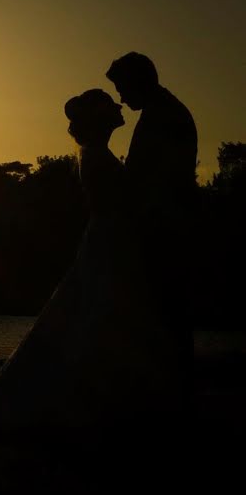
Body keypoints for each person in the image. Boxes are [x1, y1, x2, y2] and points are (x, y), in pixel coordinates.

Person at [0, 89, 179, 427]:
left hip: (108, 240)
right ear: (99, 117)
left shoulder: (96, 153)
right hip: (109, 242)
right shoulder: (96, 156)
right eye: (108, 102)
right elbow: (120, 203)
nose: (117, 105)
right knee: (91, 312)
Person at [106, 51, 198, 414]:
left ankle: (170, 399)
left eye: (123, 88)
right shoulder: (162, 112)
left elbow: (157, 180)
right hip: (161, 228)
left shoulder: (165, 116)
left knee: (166, 314)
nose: (122, 99)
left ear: (139, 80)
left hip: (164, 231)